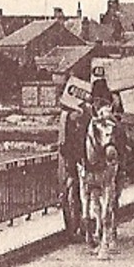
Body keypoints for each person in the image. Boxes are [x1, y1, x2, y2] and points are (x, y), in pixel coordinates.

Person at [56, 100, 90, 240]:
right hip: (72, 161)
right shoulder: (67, 118)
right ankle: (75, 225)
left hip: (82, 157)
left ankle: (79, 224)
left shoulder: (86, 114)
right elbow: (64, 145)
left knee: (76, 192)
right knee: (72, 191)